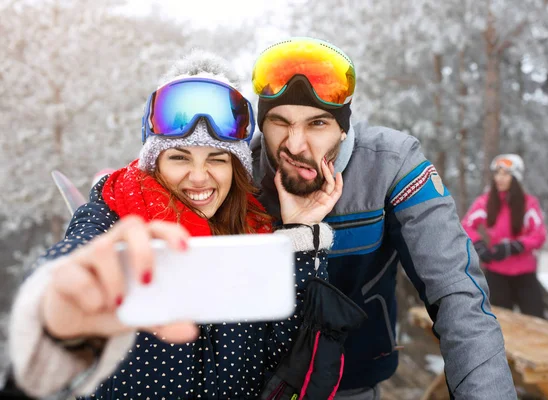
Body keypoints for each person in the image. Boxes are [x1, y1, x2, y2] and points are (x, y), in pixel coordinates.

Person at [8, 51, 355, 400]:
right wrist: (54, 302)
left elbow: (288, 362)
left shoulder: (254, 233)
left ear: (236, 169)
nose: (199, 178)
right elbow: (73, 256)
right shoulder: (114, 213)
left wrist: (299, 233)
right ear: (154, 162)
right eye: (179, 157)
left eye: (217, 159)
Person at [250, 37, 517, 399]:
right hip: (252, 384)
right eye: (280, 122)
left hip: (353, 382)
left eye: (316, 124)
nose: (296, 145)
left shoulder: (390, 165)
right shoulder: (236, 174)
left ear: (344, 127)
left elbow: (456, 291)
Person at [462, 154, 547, 318]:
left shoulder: (528, 203)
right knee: (500, 324)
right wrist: (479, 246)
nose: (499, 178)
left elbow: (539, 234)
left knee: (536, 322)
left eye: (506, 173)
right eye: (497, 173)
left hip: (525, 275)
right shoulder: (485, 202)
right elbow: (466, 225)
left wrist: (515, 246)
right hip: (497, 274)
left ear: (516, 177)